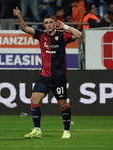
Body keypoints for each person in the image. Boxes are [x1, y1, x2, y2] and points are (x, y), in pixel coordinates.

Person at [13, 6, 82, 139]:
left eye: (51, 22)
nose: (49, 25)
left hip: (59, 78)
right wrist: (19, 17)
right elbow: (24, 28)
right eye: (47, 23)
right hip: (45, 77)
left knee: (63, 104)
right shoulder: (41, 35)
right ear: (44, 25)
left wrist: (65, 26)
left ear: (54, 23)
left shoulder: (62, 35)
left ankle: (67, 131)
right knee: (34, 100)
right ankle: (37, 130)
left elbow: (79, 35)